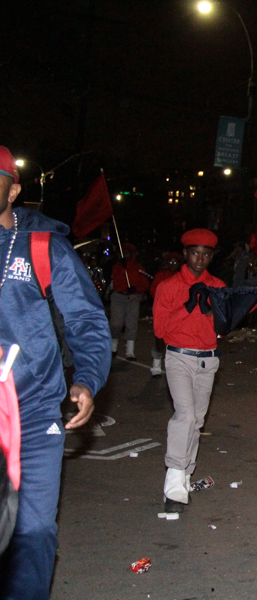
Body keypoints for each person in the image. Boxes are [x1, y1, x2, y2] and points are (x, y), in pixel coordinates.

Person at [0, 146, 111, 598]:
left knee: (33, 530)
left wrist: (86, 379)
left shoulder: (44, 247)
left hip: (32, 413)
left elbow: (86, 320)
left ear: (14, 188)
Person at [153, 229, 225, 513]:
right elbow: (160, 329)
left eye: (206, 254)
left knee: (196, 420)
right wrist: (186, 306)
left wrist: (211, 312)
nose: (200, 259)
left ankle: (184, 476)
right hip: (178, 357)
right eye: (195, 253)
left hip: (208, 360)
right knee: (184, 415)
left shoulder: (217, 285)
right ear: (185, 253)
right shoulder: (169, 286)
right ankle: (173, 484)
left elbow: (222, 328)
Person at [109, 242, 151, 360]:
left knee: (131, 323)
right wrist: (122, 269)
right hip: (119, 297)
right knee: (116, 323)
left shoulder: (138, 267)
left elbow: (145, 282)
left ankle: (130, 351)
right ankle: (113, 344)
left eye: (128, 252)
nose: (126, 255)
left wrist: (137, 289)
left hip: (133, 297)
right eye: (124, 252)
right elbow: (115, 281)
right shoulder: (117, 266)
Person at [148, 252, 182, 377]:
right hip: (162, 311)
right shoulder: (161, 276)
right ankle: (156, 365)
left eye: (175, 262)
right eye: (170, 262)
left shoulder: (182, 277)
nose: (172, 265)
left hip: (177, 313)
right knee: (159, 337)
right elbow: (153, 289)